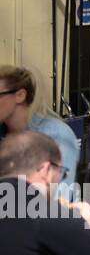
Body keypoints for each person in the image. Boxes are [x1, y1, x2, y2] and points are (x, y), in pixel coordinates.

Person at [0, 65, 80, 197]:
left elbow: (60, 195)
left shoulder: (56, 133)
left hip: (43, 213)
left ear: (20, 95)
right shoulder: (4, 133)